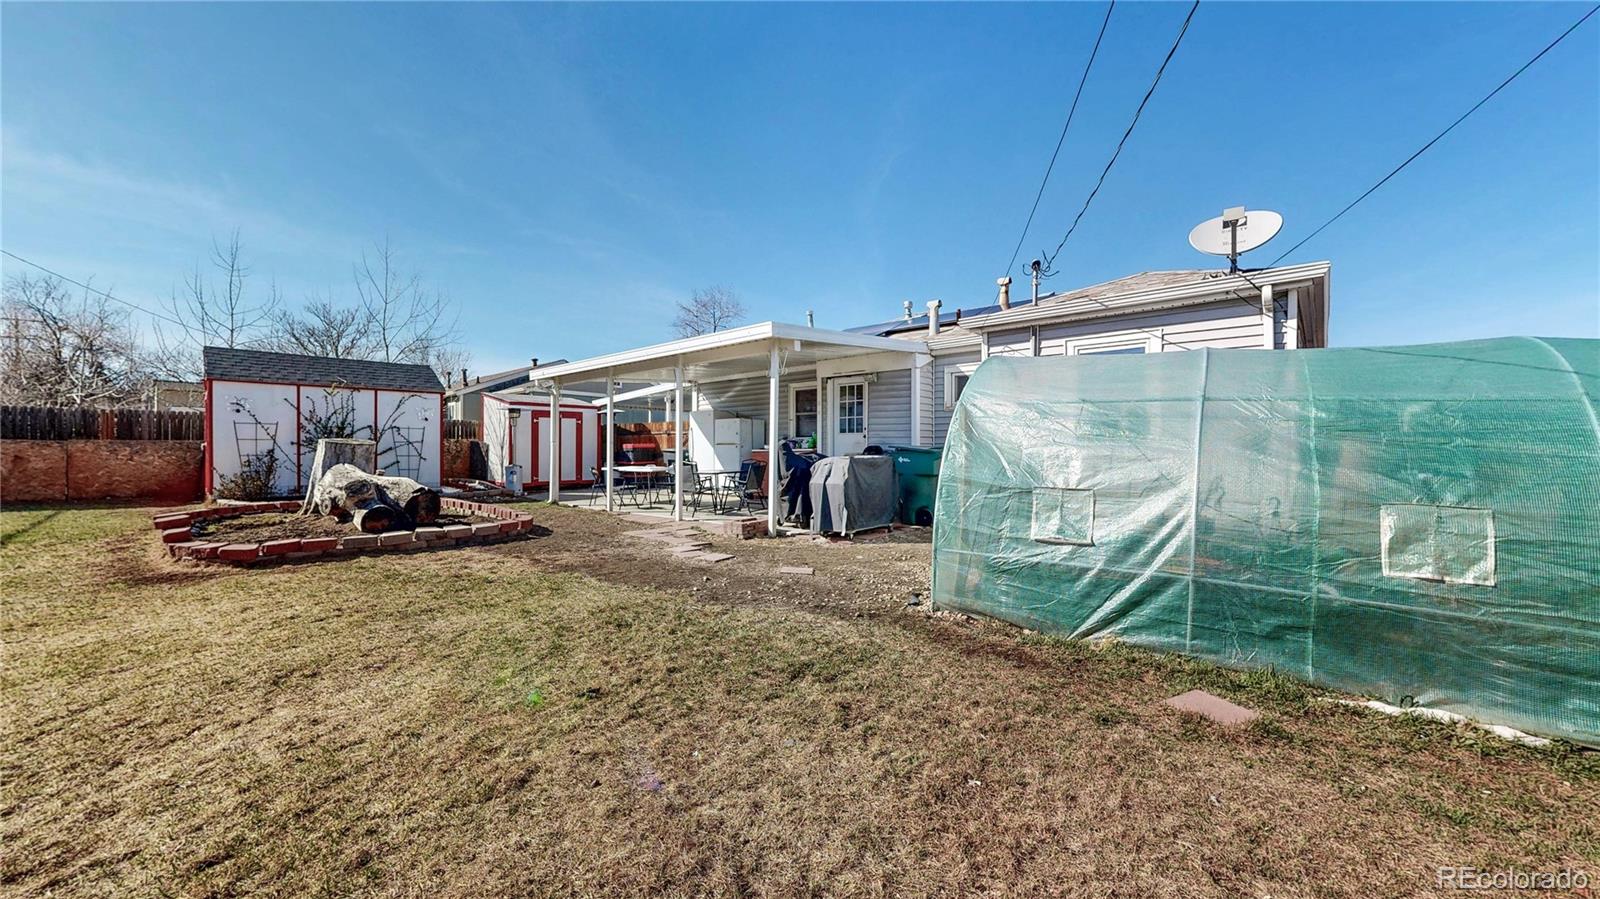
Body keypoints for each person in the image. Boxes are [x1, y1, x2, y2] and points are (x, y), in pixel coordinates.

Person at [778, 441, 817, 525]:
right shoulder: (799, 462)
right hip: (798, 483)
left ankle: (784, 515)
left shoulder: (780, 460)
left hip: (784, 483)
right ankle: (798, 515)